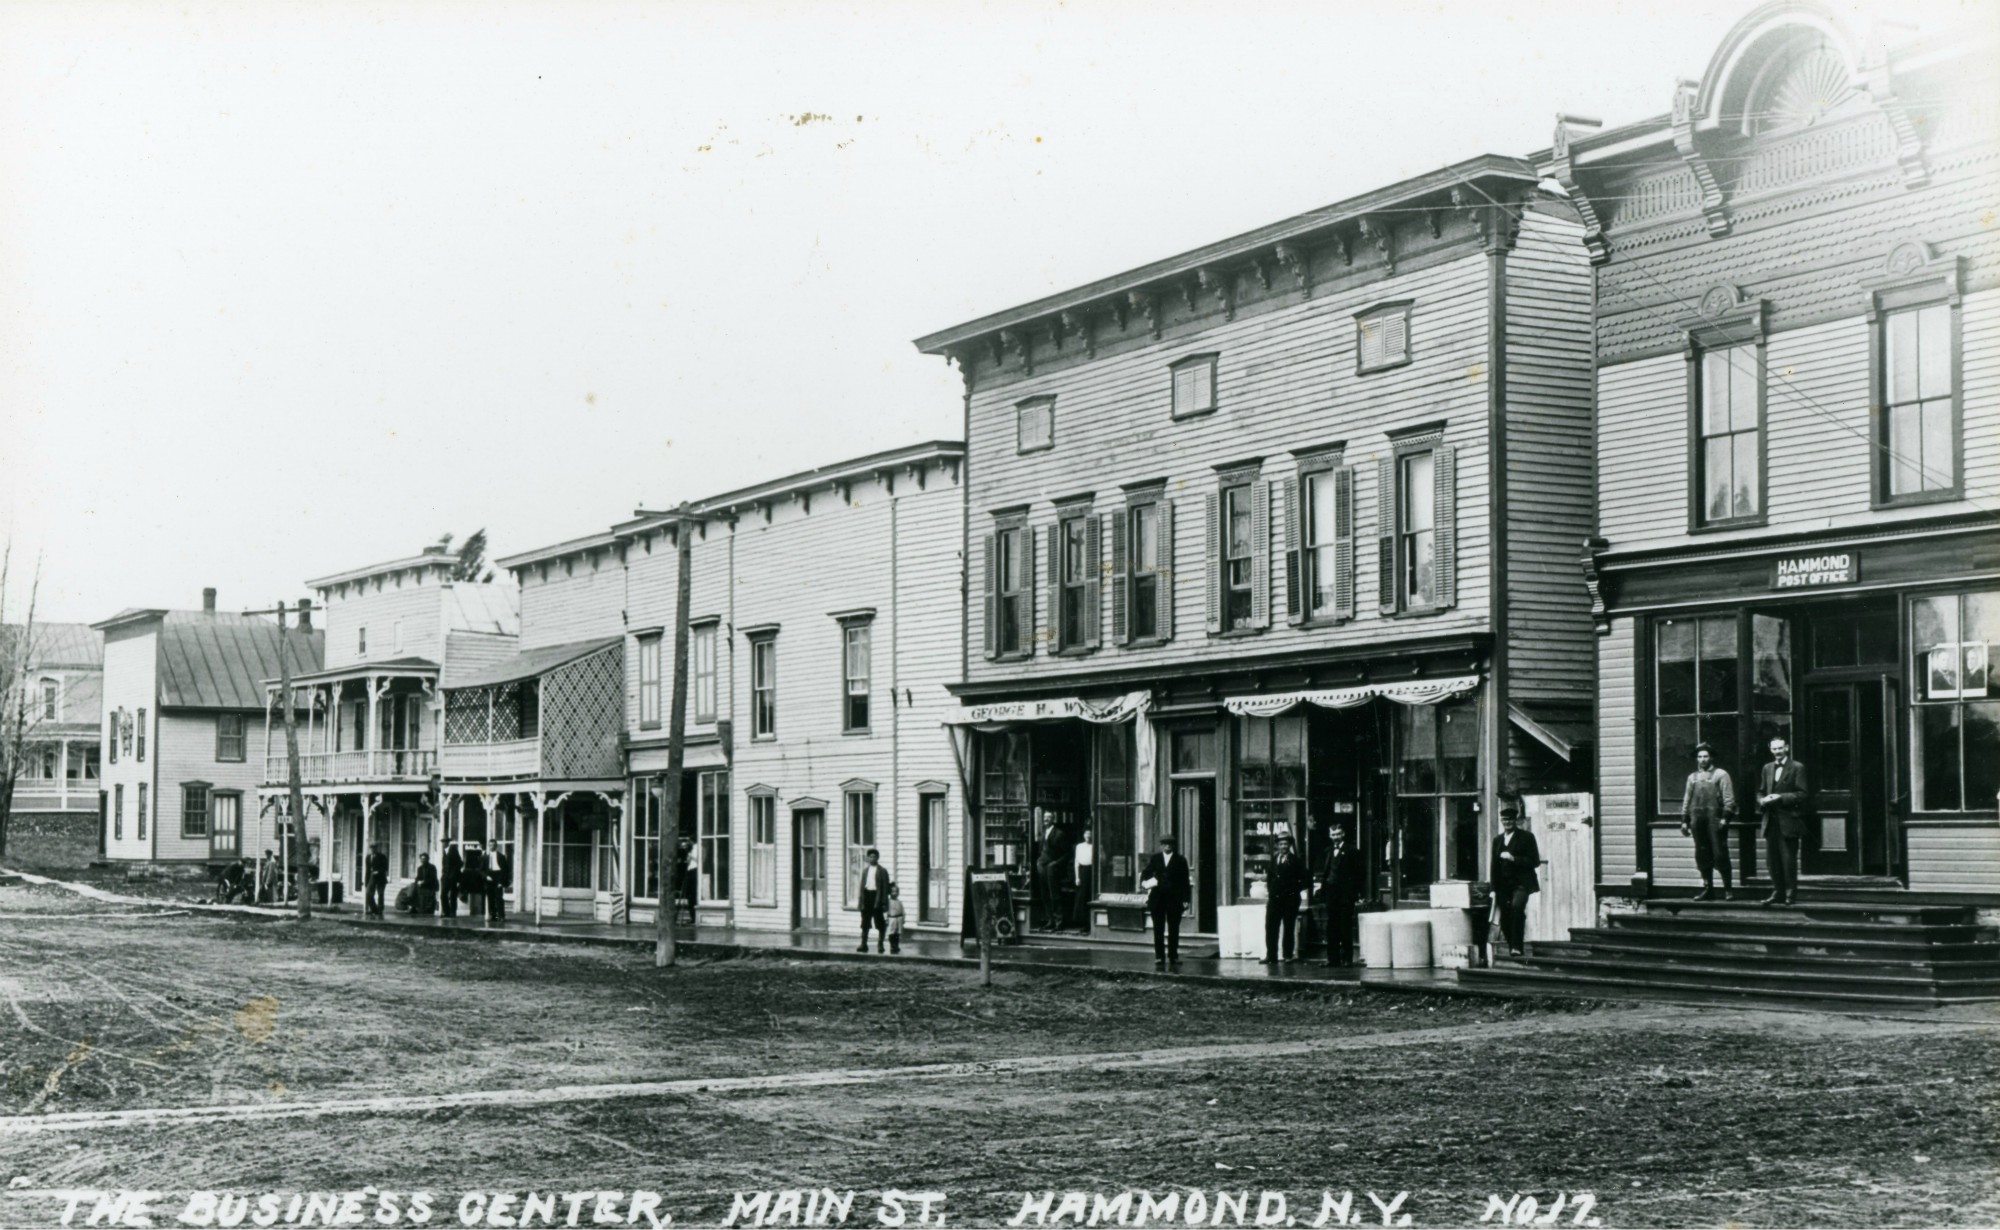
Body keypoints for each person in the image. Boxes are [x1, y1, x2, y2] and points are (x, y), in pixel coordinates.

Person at [1757, 737, 1811, 907]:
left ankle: (1790, 893)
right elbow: (1760, 791)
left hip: (1788, 821)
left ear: (1786, 748)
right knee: (1772, 861)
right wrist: (1761, 800)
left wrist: (1781, 797)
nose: (1777, 751)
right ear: (1770, 749)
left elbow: (1802, 794)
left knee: (1788, 859)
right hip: (1770, 821)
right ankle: (1777, 891)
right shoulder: (1767, 768)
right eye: (1774, 749)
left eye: (1780, 748)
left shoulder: (1797, 767)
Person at [1680, 742, 1737, 901]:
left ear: (1711, 757)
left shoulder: (1721, 775)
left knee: (1720, 854)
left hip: (1715, 820)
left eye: (1705, 756)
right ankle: (1708, 889)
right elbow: (1687, 800)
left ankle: (1728, 890)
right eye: (1699, 757)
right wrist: (1684, 820)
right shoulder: (1692, 778)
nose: (1702, 759)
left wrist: (1725, 818)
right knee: (1702, 855)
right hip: (1697, 821)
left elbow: (1729, 800)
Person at [1490, 802, 1541, 958]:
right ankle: (1513, 945)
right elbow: (1494, 866)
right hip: (1503, 885)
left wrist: (1514, 858)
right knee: (1505, 916)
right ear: (1501, 821)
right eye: (1505, 820)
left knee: (1517, 908)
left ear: (1515, 821)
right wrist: (1492, 889)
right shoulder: (1497, 840)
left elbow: (1535, 861)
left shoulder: (1526, 837)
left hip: (1521, 884)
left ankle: (1517, 947)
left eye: (1510, 820)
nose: (1507, 823)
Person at [1140, 835, 1191, 971]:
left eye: (1170, 844)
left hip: (1175, 899)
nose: (1167, 846)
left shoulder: (1180, 860)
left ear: (1174, 846)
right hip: (1158, 899)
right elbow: (1146, 873)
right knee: (1158, 928)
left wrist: (1186, 899)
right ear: (1161, 845)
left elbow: (1185, 881)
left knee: (1174, 928)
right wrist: (1145, 882)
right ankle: (1159, 956)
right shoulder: (1155, 858)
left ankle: (1173, 956)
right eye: (1165, 844)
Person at [1316, 826, 1364, 968]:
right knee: (1332, 927)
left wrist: (1355, 893)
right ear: (1330, 836)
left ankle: (1347, 959)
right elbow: (1326, 873)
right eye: (1333, 834)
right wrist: (1322, 891)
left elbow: (1359, 874)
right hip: (1331, 895)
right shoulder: (1328, 851)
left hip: (1346, 895)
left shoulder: (1352, 851)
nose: (1335, 837)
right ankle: (1332, 959)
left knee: (1345, 927)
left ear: (1343, 834)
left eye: (1338, 834)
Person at [1262, 834, 1309, 965]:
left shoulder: (1296, 861)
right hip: (1274, 900)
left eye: (1286, 844)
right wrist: (1271, 891)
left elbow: (1305, 880)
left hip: (1290, 900)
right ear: (1277, 845)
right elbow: (1270, 878)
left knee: (1288, 927)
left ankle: (1288, 955)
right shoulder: (1274, 859)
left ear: (1289, 845)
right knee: (1271, 927)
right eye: (1281, 844)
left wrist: (1293, 890)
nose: (1283, 846)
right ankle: (1271, 956)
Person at [1036, 820, 1073, 932]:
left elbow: (1067, 853)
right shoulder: (1043, 833)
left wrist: (1056, 863)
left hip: (1053, 868)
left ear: (1052, 820)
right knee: (1044, 893)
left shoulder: (1059, 834)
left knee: (1054, 894)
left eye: (1048, 818)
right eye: (1044, 818)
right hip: (1042, 866)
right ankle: (1050, 920)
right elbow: (1040, 849)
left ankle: (1059, 922)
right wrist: (1039, 861)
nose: (1045, 820)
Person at [857, 848, 891, 953]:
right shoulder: (865, 871)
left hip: (877, 898)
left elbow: (885, 888)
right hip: (867, 896)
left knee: (880, 922)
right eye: (870, 856)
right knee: (865, 922)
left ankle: (880, 945)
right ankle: (864, 944)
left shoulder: (882, 871)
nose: (872, 858)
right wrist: (861, 901)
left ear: (878, 858)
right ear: (867, 858)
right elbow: (862, 887)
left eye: (874, 856)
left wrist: (884, 902)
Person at [364, 843, 390, 918]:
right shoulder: (368, 857)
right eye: (371, 848)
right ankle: (373, 908)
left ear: (377, 848)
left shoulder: (382, 857)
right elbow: (367, 870)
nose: (373, 849)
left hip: (380, 877)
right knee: (368, 893)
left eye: (374, 848)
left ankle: (380, 909)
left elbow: (385, 868)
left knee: (380, 894)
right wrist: (366, 881)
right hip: (372, 877)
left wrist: (378, 871)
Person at [486, 845, 509, 923]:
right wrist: (486, 876)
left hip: (498, 876)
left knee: (499, 897)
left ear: (496, 846)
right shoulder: (486, 857)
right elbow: (481, 869)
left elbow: (505, 870)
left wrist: (501, 882)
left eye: (493, 845)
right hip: (489, 877)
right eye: (490, 845)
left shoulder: (501, 856)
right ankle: (493, 915)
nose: (491, 847)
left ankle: (501, 916)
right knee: (490, 898)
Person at [441, 842, 463, 917]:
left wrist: (453, 874)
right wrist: (443, 873)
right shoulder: (444, 851)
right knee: (443, 895)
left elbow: (460, 863)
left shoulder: (453, 849)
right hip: (445, 877)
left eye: (445, 841)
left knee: (453, 895)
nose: (443, 843)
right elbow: (444, 864)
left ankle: (453, 912)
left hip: (453, 877)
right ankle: (446, 911)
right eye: (442, 842)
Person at [884, 882, 905, 955]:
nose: (895, 893)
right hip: (891, 919)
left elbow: (902, 911)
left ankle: (896, 945)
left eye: (896, 892)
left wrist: (903, 919)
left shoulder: (899, 902)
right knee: (892, 933)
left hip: (898, 918)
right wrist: (886, 919)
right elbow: (886, 911)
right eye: (893, 892)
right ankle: (892, 946)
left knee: (897, 933)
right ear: (890, 892)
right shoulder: (888, 902)